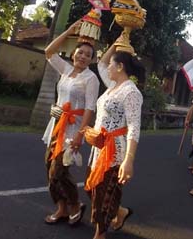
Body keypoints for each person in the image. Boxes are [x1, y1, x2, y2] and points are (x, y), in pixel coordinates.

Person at [84, 43, 145, 239]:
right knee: (92, 188)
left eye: (112, 64)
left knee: (104, 195)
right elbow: (101, 63)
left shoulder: (131, 92)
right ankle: (120, 212)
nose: (108, 67)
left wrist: (129, 160)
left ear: (120, 66)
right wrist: (116, 44)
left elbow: (134, 127)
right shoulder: (112, 87)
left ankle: (100, 234)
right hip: (99, 147)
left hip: (115, 151)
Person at [42, 20, 99, 226]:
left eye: (87, 55)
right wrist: (68, 31)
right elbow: (49, 52)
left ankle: (75, 204)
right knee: (49, 166)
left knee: (59, 170)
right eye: (80, 52)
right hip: (56, 125)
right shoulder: (65, 70)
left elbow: (90, 108)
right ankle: (61, 208)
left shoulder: (91, 78)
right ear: (73, 53)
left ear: (92, 60)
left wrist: (80, 135)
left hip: (73, 128)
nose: (83, 56)